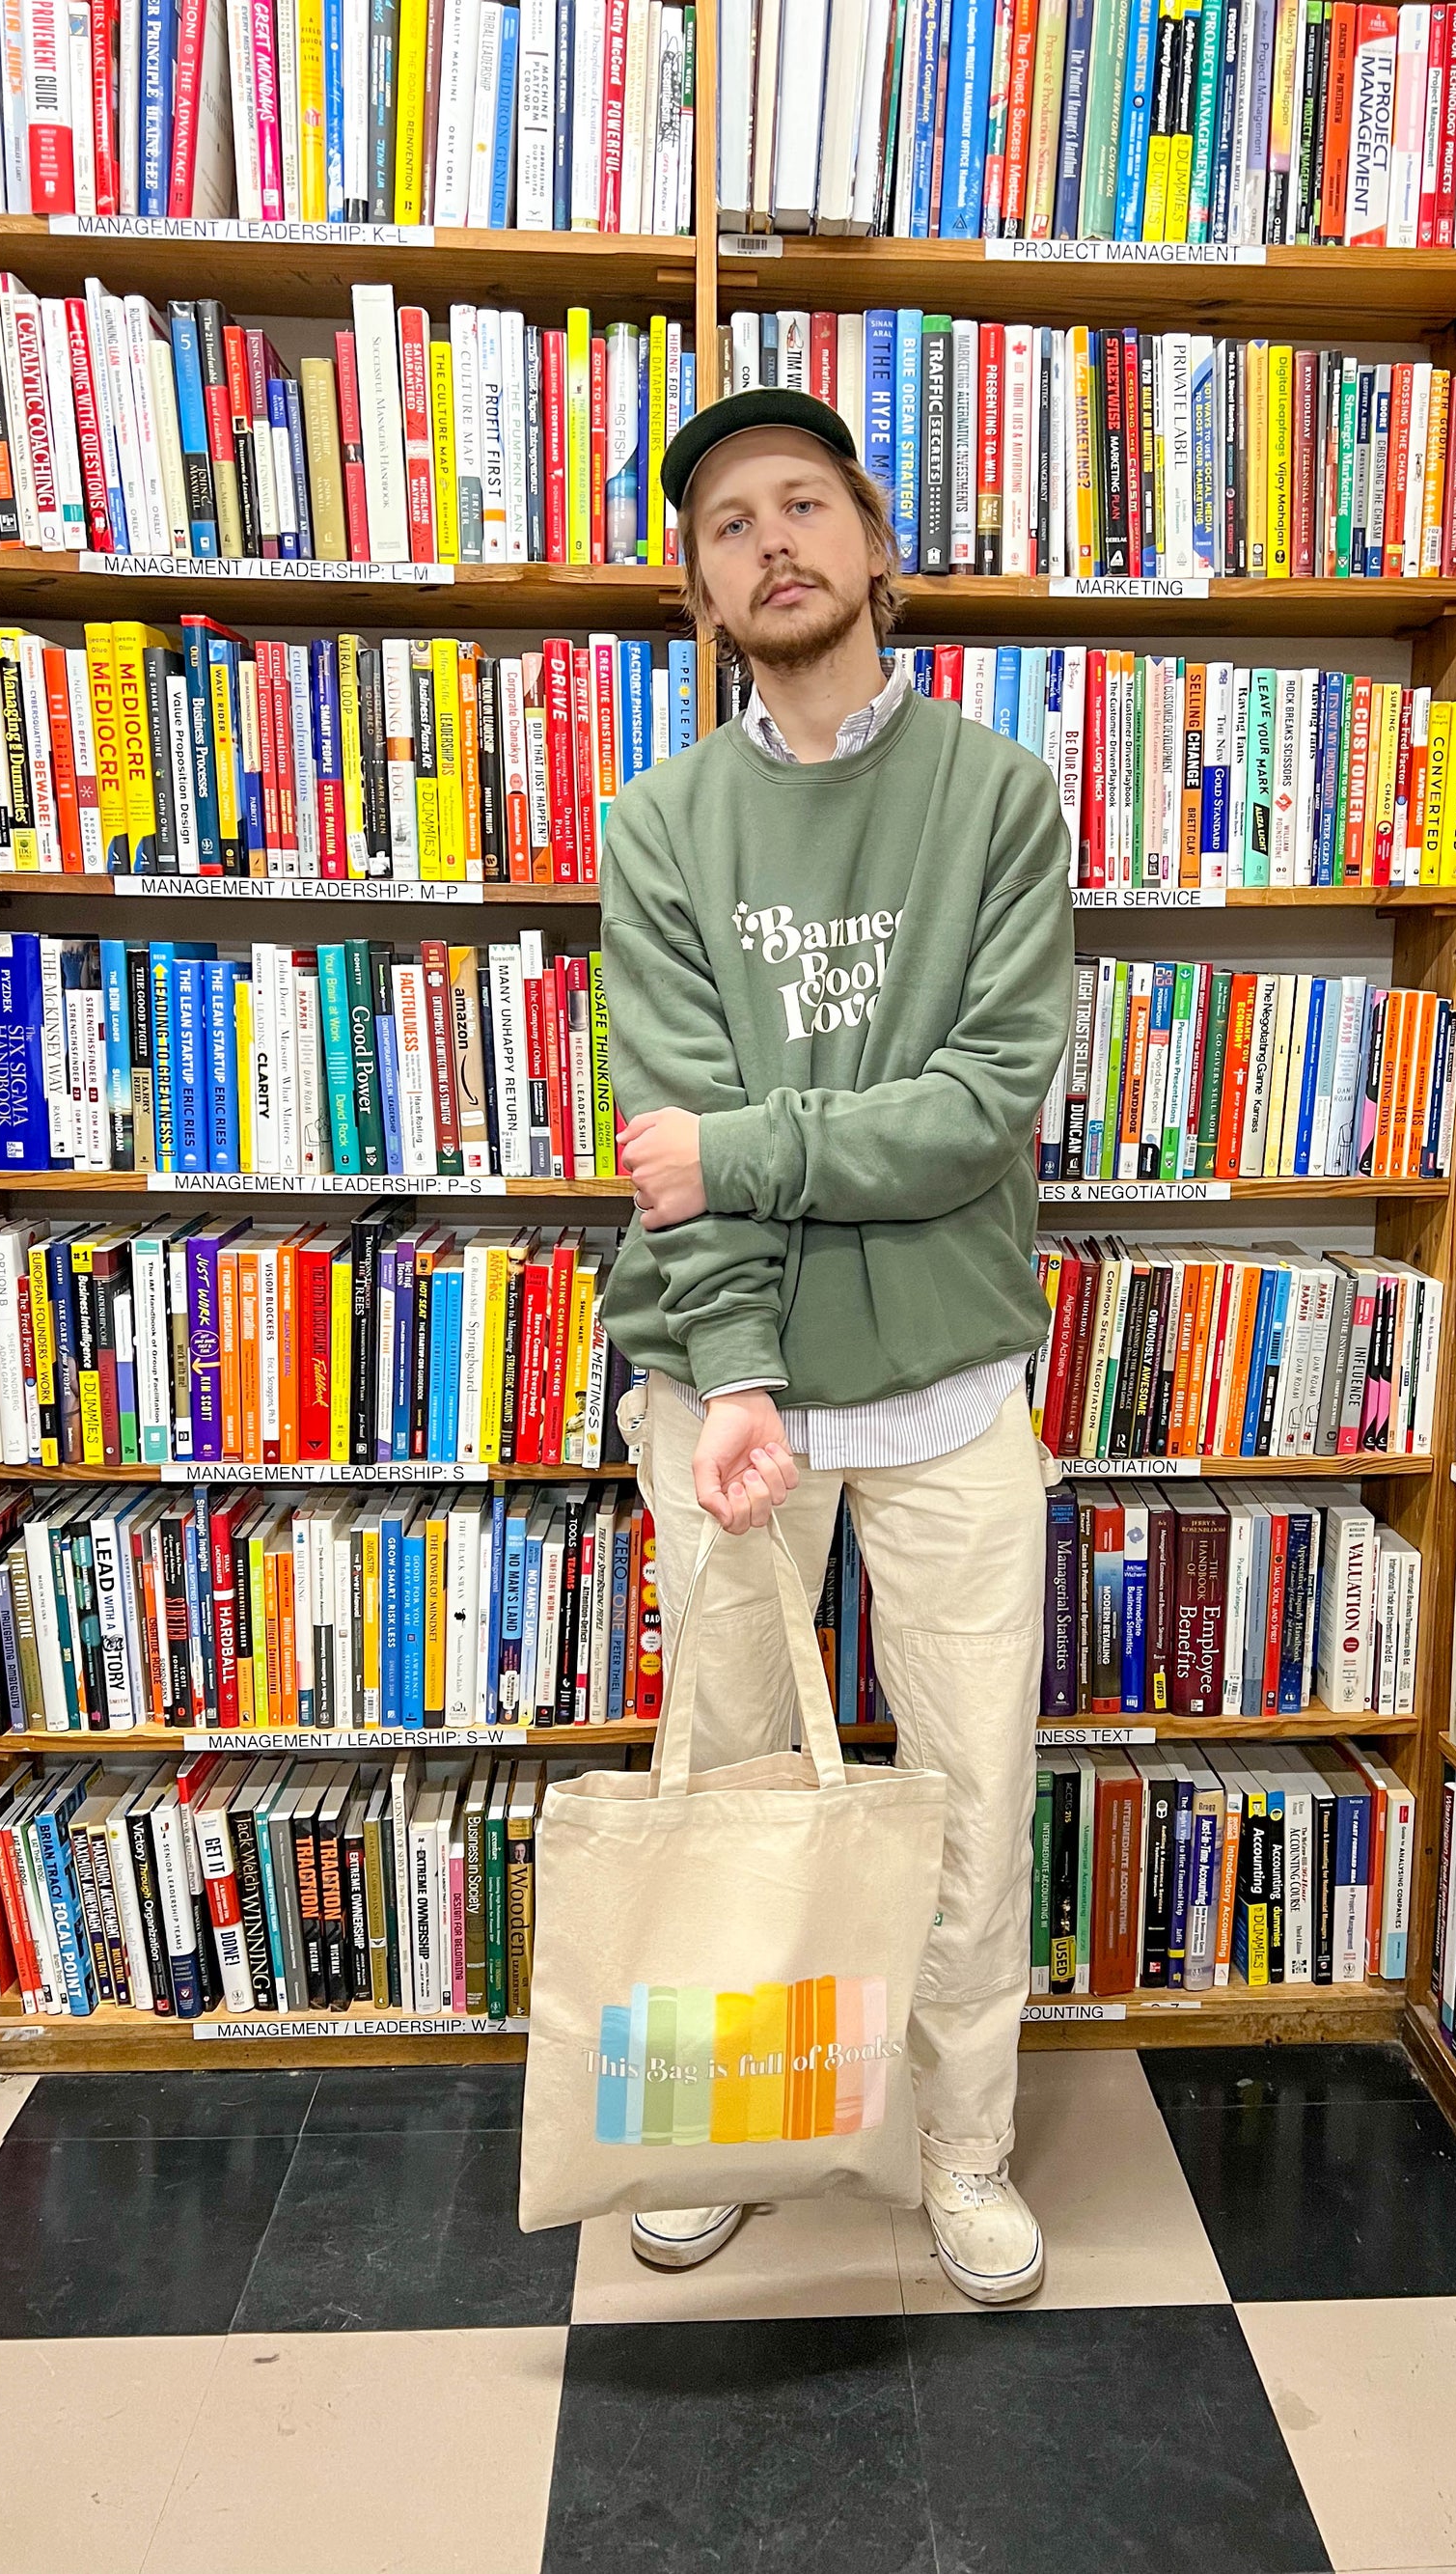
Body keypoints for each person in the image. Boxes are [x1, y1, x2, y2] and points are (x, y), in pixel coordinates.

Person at [598, 387, 1074, 2307]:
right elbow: (667, 1143)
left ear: (875, 544)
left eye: (803, 501)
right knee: (724, 1785)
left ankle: (960, 2150)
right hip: (726, 1389)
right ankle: (716, 2129)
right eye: (726, 520)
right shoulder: (660, 825)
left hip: (952, 1385)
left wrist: (748, 1149)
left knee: (971, 1792)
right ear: (701, 584)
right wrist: (734, 1369)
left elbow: (978, 1106)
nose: (769, 537)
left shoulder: (996, 795)